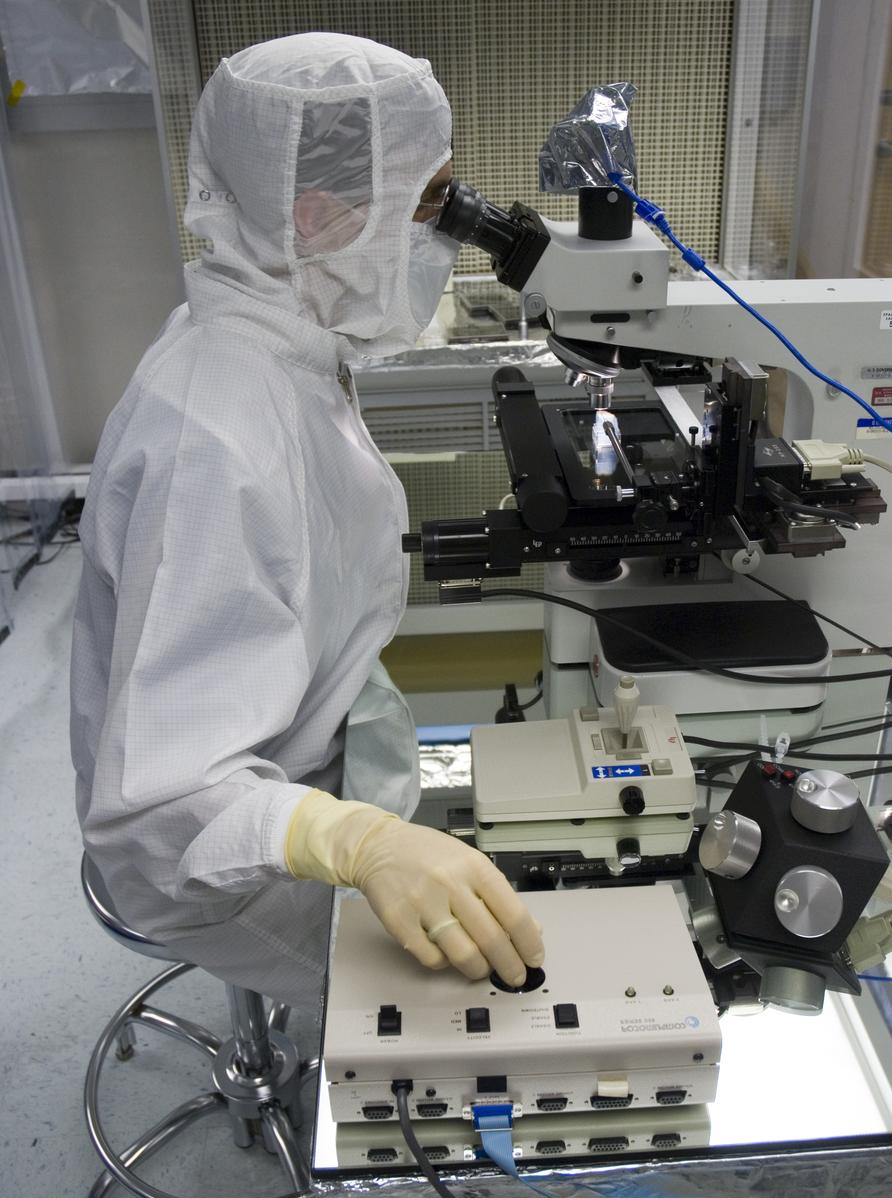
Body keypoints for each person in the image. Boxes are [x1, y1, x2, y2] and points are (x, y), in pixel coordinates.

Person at [70, 32, 543, 1011]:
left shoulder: (268, 332)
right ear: (317, 216)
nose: (447, 233)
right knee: (459, 995)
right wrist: (357, 841)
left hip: (292, 723)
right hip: (207, 849)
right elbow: (157, 802)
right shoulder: (212, 440)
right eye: (427, 206)